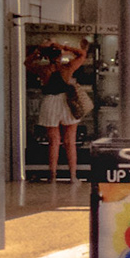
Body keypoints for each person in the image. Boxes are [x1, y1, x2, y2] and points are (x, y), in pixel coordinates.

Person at [30, 42, 88, 184]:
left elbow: (27, 62)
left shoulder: (43, 69)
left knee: (53, 142)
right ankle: (73, 176)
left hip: (49, 102)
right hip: (66, 102)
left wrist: (39, 50)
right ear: (60, 55)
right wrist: (66, 47)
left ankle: (52, 175)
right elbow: (82, 54)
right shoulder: (67, 68)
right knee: (70, 141)